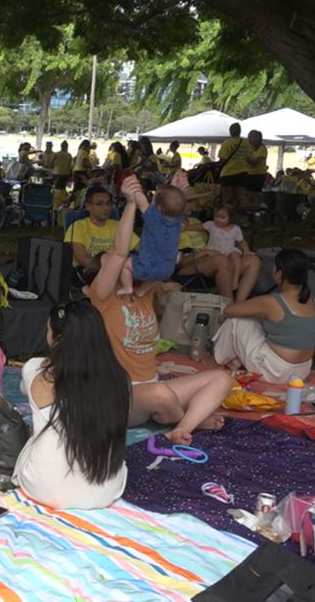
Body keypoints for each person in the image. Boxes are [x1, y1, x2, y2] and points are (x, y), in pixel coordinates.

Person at [86, 176, 231, 445]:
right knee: (161, 395)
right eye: (107, 265)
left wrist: (176, 193)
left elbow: (163, 240)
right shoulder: (103, 297)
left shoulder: (142, 292)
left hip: (152, 386)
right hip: (121, 396)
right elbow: (119, 252)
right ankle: (187, 419)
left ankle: (182, 428)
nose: (118, 264)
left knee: (221, 379)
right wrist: (130, 203)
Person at [12, 301, 129, 509]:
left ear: (57, 339)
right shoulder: (120, 379)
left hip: (44, 487)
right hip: (105, 489)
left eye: (48, 330)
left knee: (34, 435)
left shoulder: (35, 371)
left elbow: (24, 387)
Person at [213, 249, 315, 384]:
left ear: (279, 274)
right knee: (259, 325)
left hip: (276, 372)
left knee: (237, 320)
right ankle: (234, 363)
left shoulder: (272, 301)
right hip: (301, 372)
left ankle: (217, 358)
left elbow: (229, 310)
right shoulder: (310, 298)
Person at [117, 185, 186, 296]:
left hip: (147, 265)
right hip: (167, 269)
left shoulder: (153, 218)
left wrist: (135, 189)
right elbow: (176, 203)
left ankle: (127, 288)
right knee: (156, 276)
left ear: (158, 207)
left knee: (126, 265)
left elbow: (142, 202)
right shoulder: (178, 221)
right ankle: (141, 291)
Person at [185, 204, 260, 301]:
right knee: (219, 260)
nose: (218, 220)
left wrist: (246, 249)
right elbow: (198, 226)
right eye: (216, 216)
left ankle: (235, 279)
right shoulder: (211, 224)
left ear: (231, 218)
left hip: (229, 249)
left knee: (235, 256)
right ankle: (228, 302)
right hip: (214, 250)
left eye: (222, 217)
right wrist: (185, 228)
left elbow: (241, 241)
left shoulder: (235, 229)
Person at [63, 185, 139, 268]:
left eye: (108, 203)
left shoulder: (118, 226)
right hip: (89, 274)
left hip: (119, 272)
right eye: (99, 204)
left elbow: (141, 249)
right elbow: (83, 259)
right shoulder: (78, 227)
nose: (106, 208)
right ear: (88, 206)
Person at [218, 122, 252, 207]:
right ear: (240, 131)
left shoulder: (227, 143)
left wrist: (218, 167)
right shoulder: (246, 143)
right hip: (243, 173)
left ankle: (226, 217)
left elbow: (223, 159)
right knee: (241, 197)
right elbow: (249, 158)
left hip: (228, 173)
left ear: (230, 131)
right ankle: (244, 217)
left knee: (227, 198)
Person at [244, 130, 268, 200]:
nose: (248, 139)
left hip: (257, 175)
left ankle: (254, 208)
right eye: (248, 136)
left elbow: (255, 162)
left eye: (251, 137)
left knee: (253, 195)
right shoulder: (249, 148)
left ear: (258, 138)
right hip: (248, 174)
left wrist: (245, 158)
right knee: (247, 194)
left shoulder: (262, 149)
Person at [51, 141, 74, 210]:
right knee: (63, 188)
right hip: (65, 174)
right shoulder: (69, 155)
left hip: (57, 173)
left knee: (56, 188)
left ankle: (55, 203)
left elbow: (52, 163)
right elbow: (71, 165)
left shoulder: (57, 154)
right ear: (67, 147)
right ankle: (62, 202)